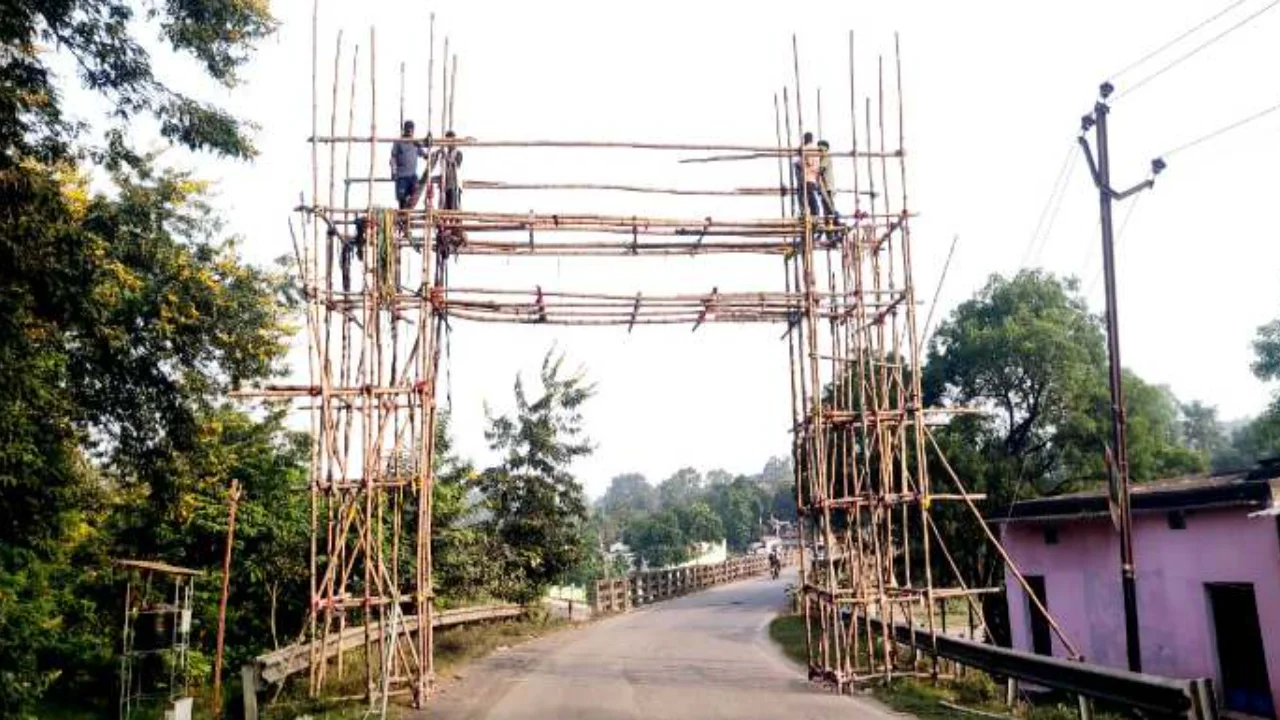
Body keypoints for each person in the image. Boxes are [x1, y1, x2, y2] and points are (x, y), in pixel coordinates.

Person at [390, 120, 428, 211]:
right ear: (404, 129)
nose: (410, 132)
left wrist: (427, 145)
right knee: (402, 199)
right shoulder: (398, 142)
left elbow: (424, 155)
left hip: (412, 176)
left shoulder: (415, 143)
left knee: (414, 194)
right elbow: (393, 158)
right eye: (408, 129)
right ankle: (403, 218)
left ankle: (408, 216)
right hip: (401, 176)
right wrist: (393, 171)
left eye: (411, 130)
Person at [794, 132, 822, 219]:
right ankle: (814, 215)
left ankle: (810, 215)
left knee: (807, 199)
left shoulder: (807, 148)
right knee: (811, 198)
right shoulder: (816, 149)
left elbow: (809, 162)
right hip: (813, 178)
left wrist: (799, 163)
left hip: (807, 177)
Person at [816, 139, 841, 232]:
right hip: (824, 188)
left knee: (830, 210)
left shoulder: (826, 156)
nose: (818, 152)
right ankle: (830, 232)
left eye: (820, 150)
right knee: (826, 211)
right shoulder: (823, 157)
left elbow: (820, 170)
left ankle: (837, 227)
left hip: (828, 188)